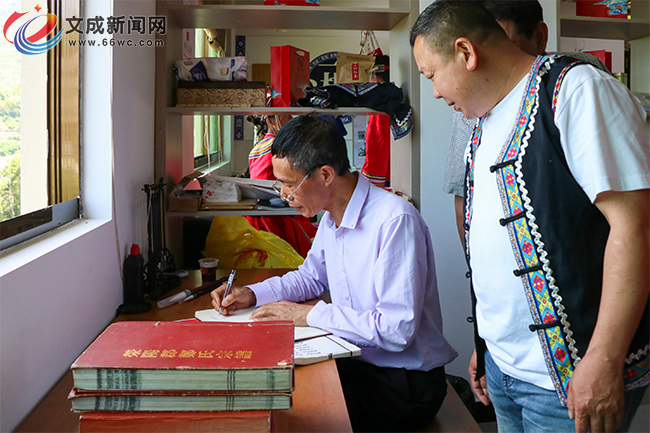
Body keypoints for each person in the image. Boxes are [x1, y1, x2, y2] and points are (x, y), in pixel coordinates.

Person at [411, 2, 649, 433]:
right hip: (504, 368)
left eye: (431, 75)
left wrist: (604, 359)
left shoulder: (576, 91)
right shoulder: (483, 121)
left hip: (572, 376)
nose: (435, 93)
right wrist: (487, 344)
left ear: (466, 52)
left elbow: (636, 226)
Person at [211, 114, 458, 432]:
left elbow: (396, 330)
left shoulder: (394, 220)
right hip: (357, 363)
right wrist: (252, 294)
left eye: (289, 184)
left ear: (325, 174)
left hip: (405, 384)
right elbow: (310, 278)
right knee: (272, 385)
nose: (284, 195)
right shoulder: (331, 216)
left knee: (295, 410)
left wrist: (309, 315)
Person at [442, 0, 610, 246]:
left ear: (539, 37)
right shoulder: (470, 100)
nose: (490, 64)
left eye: (503, 46)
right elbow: (463, 193)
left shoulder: (580, 78)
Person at [246, 114, 317, 258]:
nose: (291, 118)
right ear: (270, 120)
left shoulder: (257, 148)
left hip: (258, 217)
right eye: (286, 115)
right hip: (278, 218)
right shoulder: (283, 148)